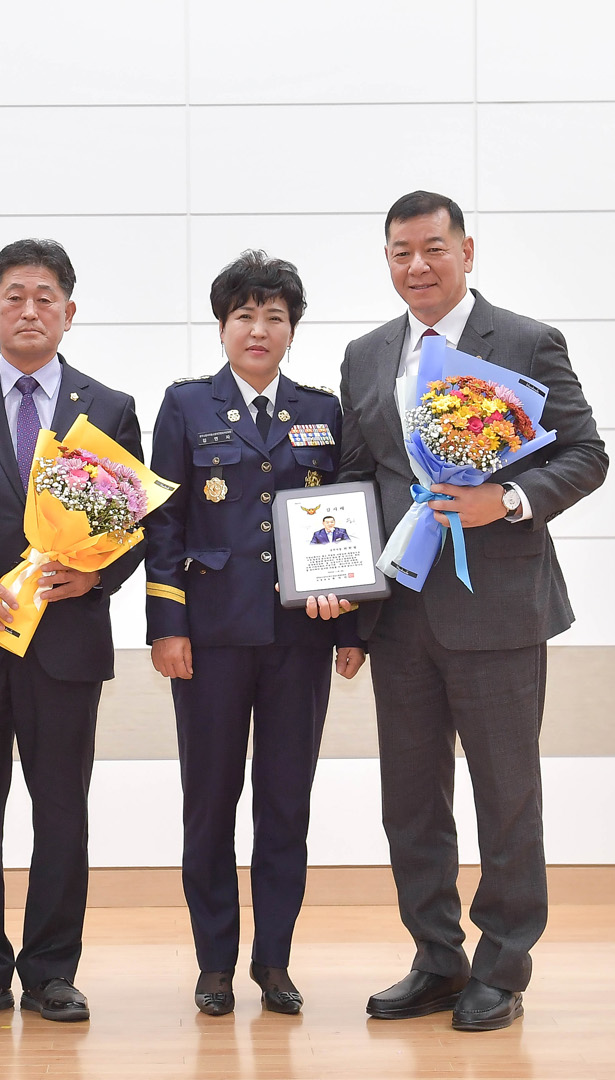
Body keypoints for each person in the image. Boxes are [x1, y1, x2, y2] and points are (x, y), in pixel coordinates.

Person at [338, 192, 608, 1030]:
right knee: (411, 801)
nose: (417, 266)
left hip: (500, 609)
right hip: (400, 614)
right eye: (401, 252)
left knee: (507, 796)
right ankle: (436, 958)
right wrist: (347, 606)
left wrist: (510, 499)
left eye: (433, 248)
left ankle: (503, 966)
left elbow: (586, 454)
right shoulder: (365, 354)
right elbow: (357, 479)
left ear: (466, 251)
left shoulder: (524, 342)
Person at [0, 239, 145, 1024]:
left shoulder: (109, 407)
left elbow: (136, 523)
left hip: (65, 642)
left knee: (62, 812)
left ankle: (51, 971)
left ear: (69, 313)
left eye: (46, 297)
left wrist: (98, 577)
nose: (30, 310)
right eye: (14, 296)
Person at [146, 250, 367, 1017]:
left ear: (292, 329)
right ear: (222, 326)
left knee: (285, 805)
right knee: (209, 804)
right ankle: (214, 964)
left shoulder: (323, 409)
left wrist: (352, 626)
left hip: (299, 640)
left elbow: (345, 518)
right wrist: (167, 624)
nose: (259, 329)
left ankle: (274, 962)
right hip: (209, 639)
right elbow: (164, 522)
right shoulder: (186, 406)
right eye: (244, 314)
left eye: (274, 316)